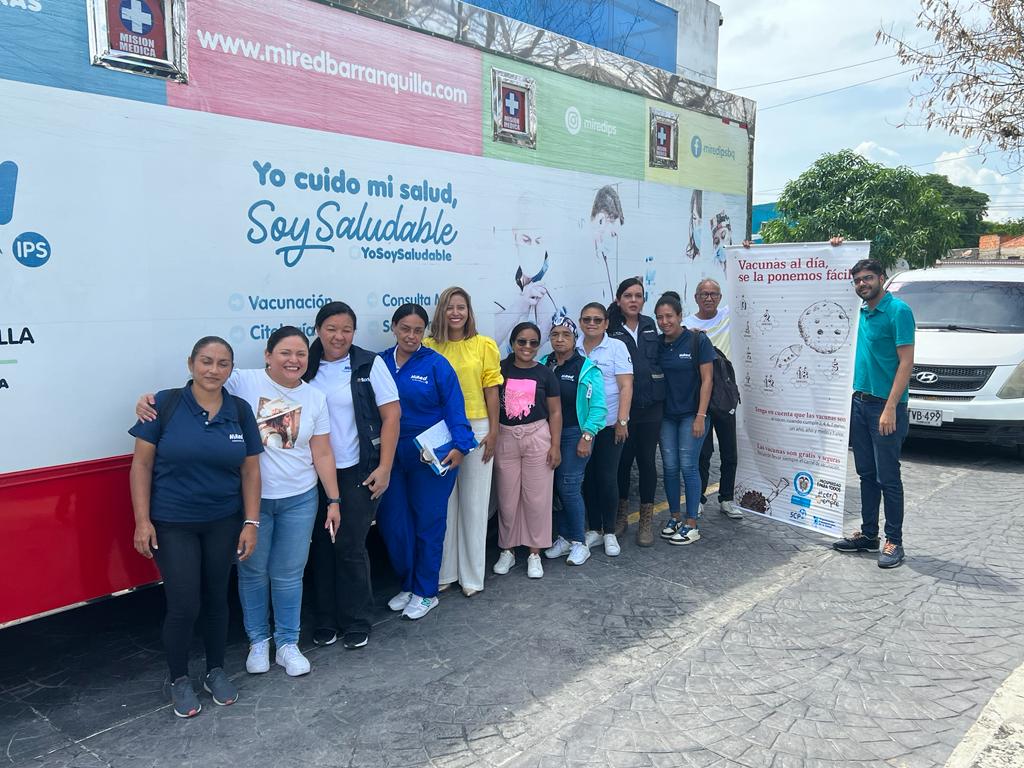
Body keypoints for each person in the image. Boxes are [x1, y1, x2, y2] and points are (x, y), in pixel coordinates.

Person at [137, 327, 342, 678]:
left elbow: (321, 451)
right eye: (285, 353)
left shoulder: (315, 397)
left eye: (301, 355)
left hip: (299, 499)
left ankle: (288, 644)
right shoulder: (242, 381)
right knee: (253, 573)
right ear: (267, 355)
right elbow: (199, 388)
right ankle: (258, 641)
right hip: (252, 503)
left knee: (289, 574)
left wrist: (333, 499)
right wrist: (149, 400)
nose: (293, 360)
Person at [129, 336, 262, 718]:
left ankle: (215, 670)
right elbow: (141, 466)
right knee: (185, 602)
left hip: (223, 521)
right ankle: (179, 678)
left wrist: (250, 521)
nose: (213, 370)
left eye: (222, 363)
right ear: (190, 364)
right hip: (173, 523)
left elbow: (250, 469)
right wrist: (142, 520)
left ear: (230, 370)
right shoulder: (164, 404)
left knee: (217, 599)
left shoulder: (239, 410)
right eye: (206, 361)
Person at [304, 302, 400, 650]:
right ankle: (326, 620)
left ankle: (356, 619)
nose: (338, 336)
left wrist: (384, 467)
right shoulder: (304, 364)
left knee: (349, 545)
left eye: (346, 329)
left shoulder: (368, 364)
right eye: (331, 328)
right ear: (318, 329)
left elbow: (392, 417)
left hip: (358, 471)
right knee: (322, 547)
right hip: (313, 474)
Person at [377, 303, 476, 619]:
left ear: (425, 332)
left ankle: (425, 591)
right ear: (394, 327)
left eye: (418, 330)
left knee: (428, 523)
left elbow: (454, 407)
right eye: (405, 328)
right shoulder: (380, 363)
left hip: (431, 454)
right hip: (391, 453)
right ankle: (409, 583)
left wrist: (461, 446)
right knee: (394, 524)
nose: (411, 335)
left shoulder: (436, 364)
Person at [833, 253, 915, 568]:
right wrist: (835, 246)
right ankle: (869, 536)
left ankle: (895, 541)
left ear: (882, 278)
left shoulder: (898, 311)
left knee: (888, 477)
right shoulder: (863, 312)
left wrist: (891, 407)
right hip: (860, 403)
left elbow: (906, 363)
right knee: (866, 474)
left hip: (886, 406)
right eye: (857, 280)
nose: (862, 284)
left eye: (867, 278)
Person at [425, 287, 503, 598]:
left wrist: (494, 431)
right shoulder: (429, 347)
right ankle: (446, 572)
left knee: (474, 502)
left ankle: (472, 575)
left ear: (469, 312)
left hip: (477, 426)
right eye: (450, 307)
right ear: (441, 312)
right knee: (445, 504)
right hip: (441, 430)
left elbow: (492, 390)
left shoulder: (483, 345)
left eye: (462, 307)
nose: (456, 313)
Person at [491, 322, 562, 579]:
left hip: (537, 438)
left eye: (533, 343)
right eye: (522, 342)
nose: (527, 347)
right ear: (512, 343)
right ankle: (507, 551)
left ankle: (534, 553)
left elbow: (555, 412)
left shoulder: (545, 374)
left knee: (537, 499)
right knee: (507, 499)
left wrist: (555, 445)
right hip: (506, 438)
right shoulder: (500, 370)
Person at [540, 317, 607, 566]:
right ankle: (565, 537)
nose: (559, 339)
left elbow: (599, 407)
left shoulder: (586, 368)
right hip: (546, 434)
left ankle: (580, 542)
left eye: (565, 335)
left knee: (569, 486)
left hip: (574, 434)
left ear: (574, 339)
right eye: (555, 334)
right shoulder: (544, 364)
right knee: (557, 489)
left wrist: (587, 436)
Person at [607, 277, 664, 546]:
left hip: (651, 407)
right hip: (623, 407)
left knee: (647, 463)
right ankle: (621, 516)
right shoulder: (610, 327)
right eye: (627, 295)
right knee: (622, 462)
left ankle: (645, 521)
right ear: (618, 300)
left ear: (643, 300)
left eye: (638, 296)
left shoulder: (650, 325)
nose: (633, 300)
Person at [655, 293, 715, 546]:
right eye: (660, 317)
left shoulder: (697, 340)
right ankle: (675, 517)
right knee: (669, 468)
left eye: (669, 316)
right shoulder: (658, 344)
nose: (665, 321)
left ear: (680, 316)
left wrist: (701, 416)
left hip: (693, 415)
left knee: (688, 467)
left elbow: (707, 380)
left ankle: (692, 523)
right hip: (667, 416)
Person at [577, 302, 633, 556]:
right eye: (587, 319)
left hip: (610, 424)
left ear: (606, 323)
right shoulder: (574, 348)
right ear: (580, 322)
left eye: (597, 320)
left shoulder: (616, 347)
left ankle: (609, 532)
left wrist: (622, 421)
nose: (591, 324)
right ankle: (594, 529)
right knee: (587, 478)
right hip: (583, 427)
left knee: (607, 477)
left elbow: (626, 386)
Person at [683, 277, 741, 521]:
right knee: (702, 451)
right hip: (701, 394)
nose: (709, 298)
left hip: (725, 394)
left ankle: (726, 498)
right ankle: (699, 499)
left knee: (729, 451)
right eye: (703, 294)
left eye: (714, 294)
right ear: (695, 298)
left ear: (721, 297)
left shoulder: (731, 316)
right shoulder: (686, 324)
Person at [592, 185, 625, 301]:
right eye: (612, 221)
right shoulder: (591, 262)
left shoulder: (605, 257)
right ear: (600, 220)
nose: (615, 234)